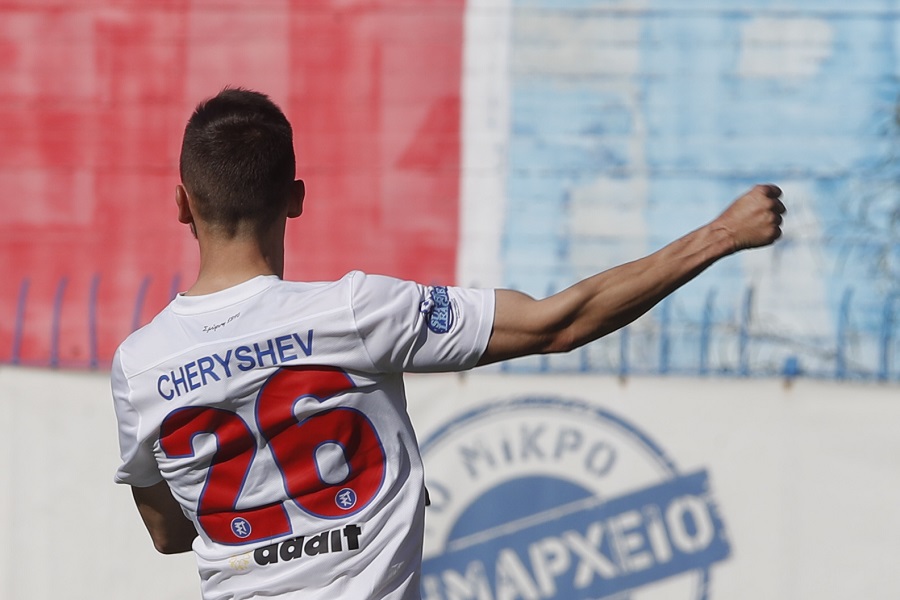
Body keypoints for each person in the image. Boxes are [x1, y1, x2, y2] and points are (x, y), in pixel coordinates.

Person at [112, 87, 785, 600]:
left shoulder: (140, 365)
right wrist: (720, 235)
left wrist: (275, 507)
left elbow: (169, 533)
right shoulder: (355, 311)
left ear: (182, 203)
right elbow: (559, 323)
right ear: (295, 198)